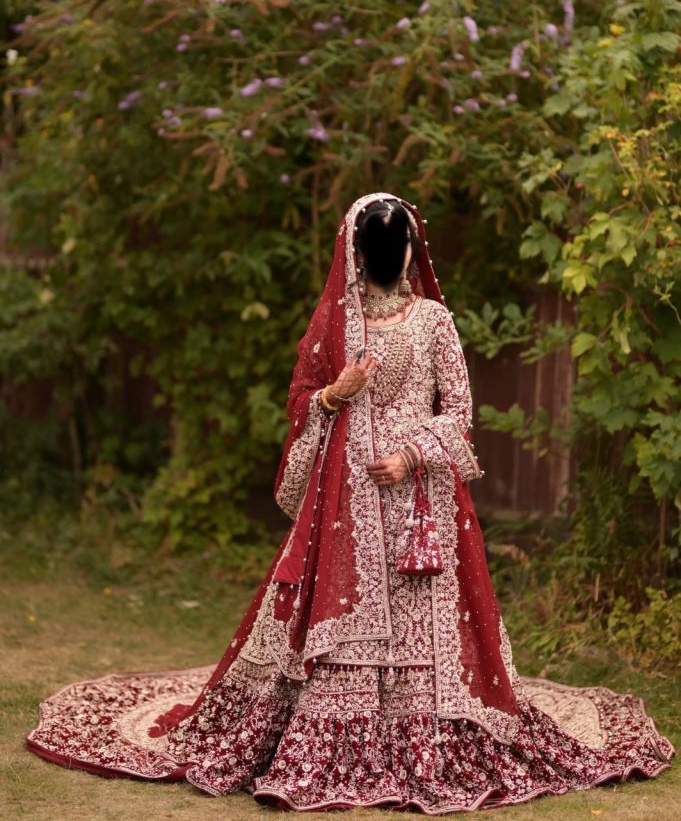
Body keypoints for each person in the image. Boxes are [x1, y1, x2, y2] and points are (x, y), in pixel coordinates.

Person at [26, 191, 675, 812]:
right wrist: (336, 392)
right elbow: (302, 396)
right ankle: (336, 726)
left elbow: (458, 411)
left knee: (424, 616)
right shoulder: (337, 321)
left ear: (410, 249)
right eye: (378, 244)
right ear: (357, 250)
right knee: (342, 610)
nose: (387, 255)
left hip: (419, 498)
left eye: (396, 243)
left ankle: (430, 733)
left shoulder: (433, 321)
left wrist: (413, 455)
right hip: (346, 498)